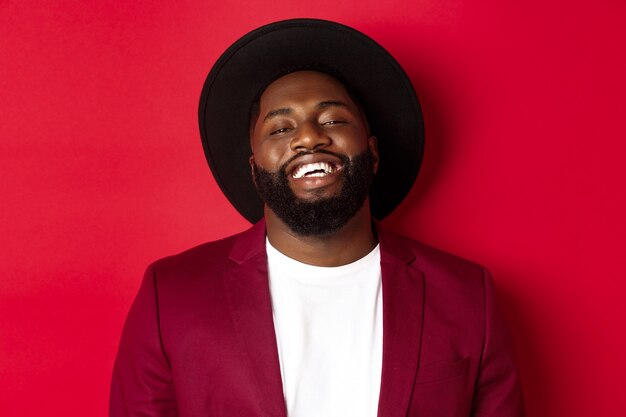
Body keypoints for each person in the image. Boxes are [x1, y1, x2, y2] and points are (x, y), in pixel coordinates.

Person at [110, 19, 525, 417]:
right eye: (279, 128)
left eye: (333, 120)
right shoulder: (172, 296)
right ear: (255, 170)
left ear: (373, 153)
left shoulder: (469, 298)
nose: (309, 137)